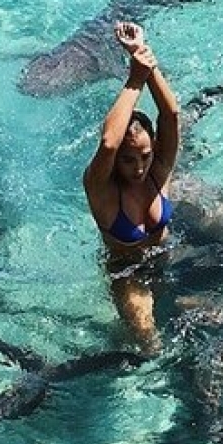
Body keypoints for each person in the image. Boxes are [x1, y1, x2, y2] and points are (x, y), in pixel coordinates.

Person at [83, 21, 180, 355]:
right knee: (151, 348)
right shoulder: (102, 190)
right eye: (128, 160)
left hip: (165, 260)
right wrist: (135, 78)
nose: (139, 168)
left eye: (144, 156)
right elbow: (110, 142)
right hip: (128, 276)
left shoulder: (159, 170)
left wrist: (144, 58)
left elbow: (171, 114)